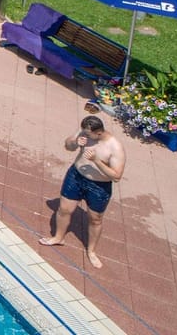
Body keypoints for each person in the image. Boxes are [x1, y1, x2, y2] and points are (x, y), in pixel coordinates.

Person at [38, 115, 126, 269]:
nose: (85, 135)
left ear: (98, 133)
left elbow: (117, 176)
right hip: (76, 176)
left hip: (99, 186)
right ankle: (58, 237)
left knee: (95, 219)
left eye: (88, 134)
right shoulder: (85, 131)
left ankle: (91, 251)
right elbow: (68, 146)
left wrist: (96, 161)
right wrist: (74, 142)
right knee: (64, 209)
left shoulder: (114, 147)